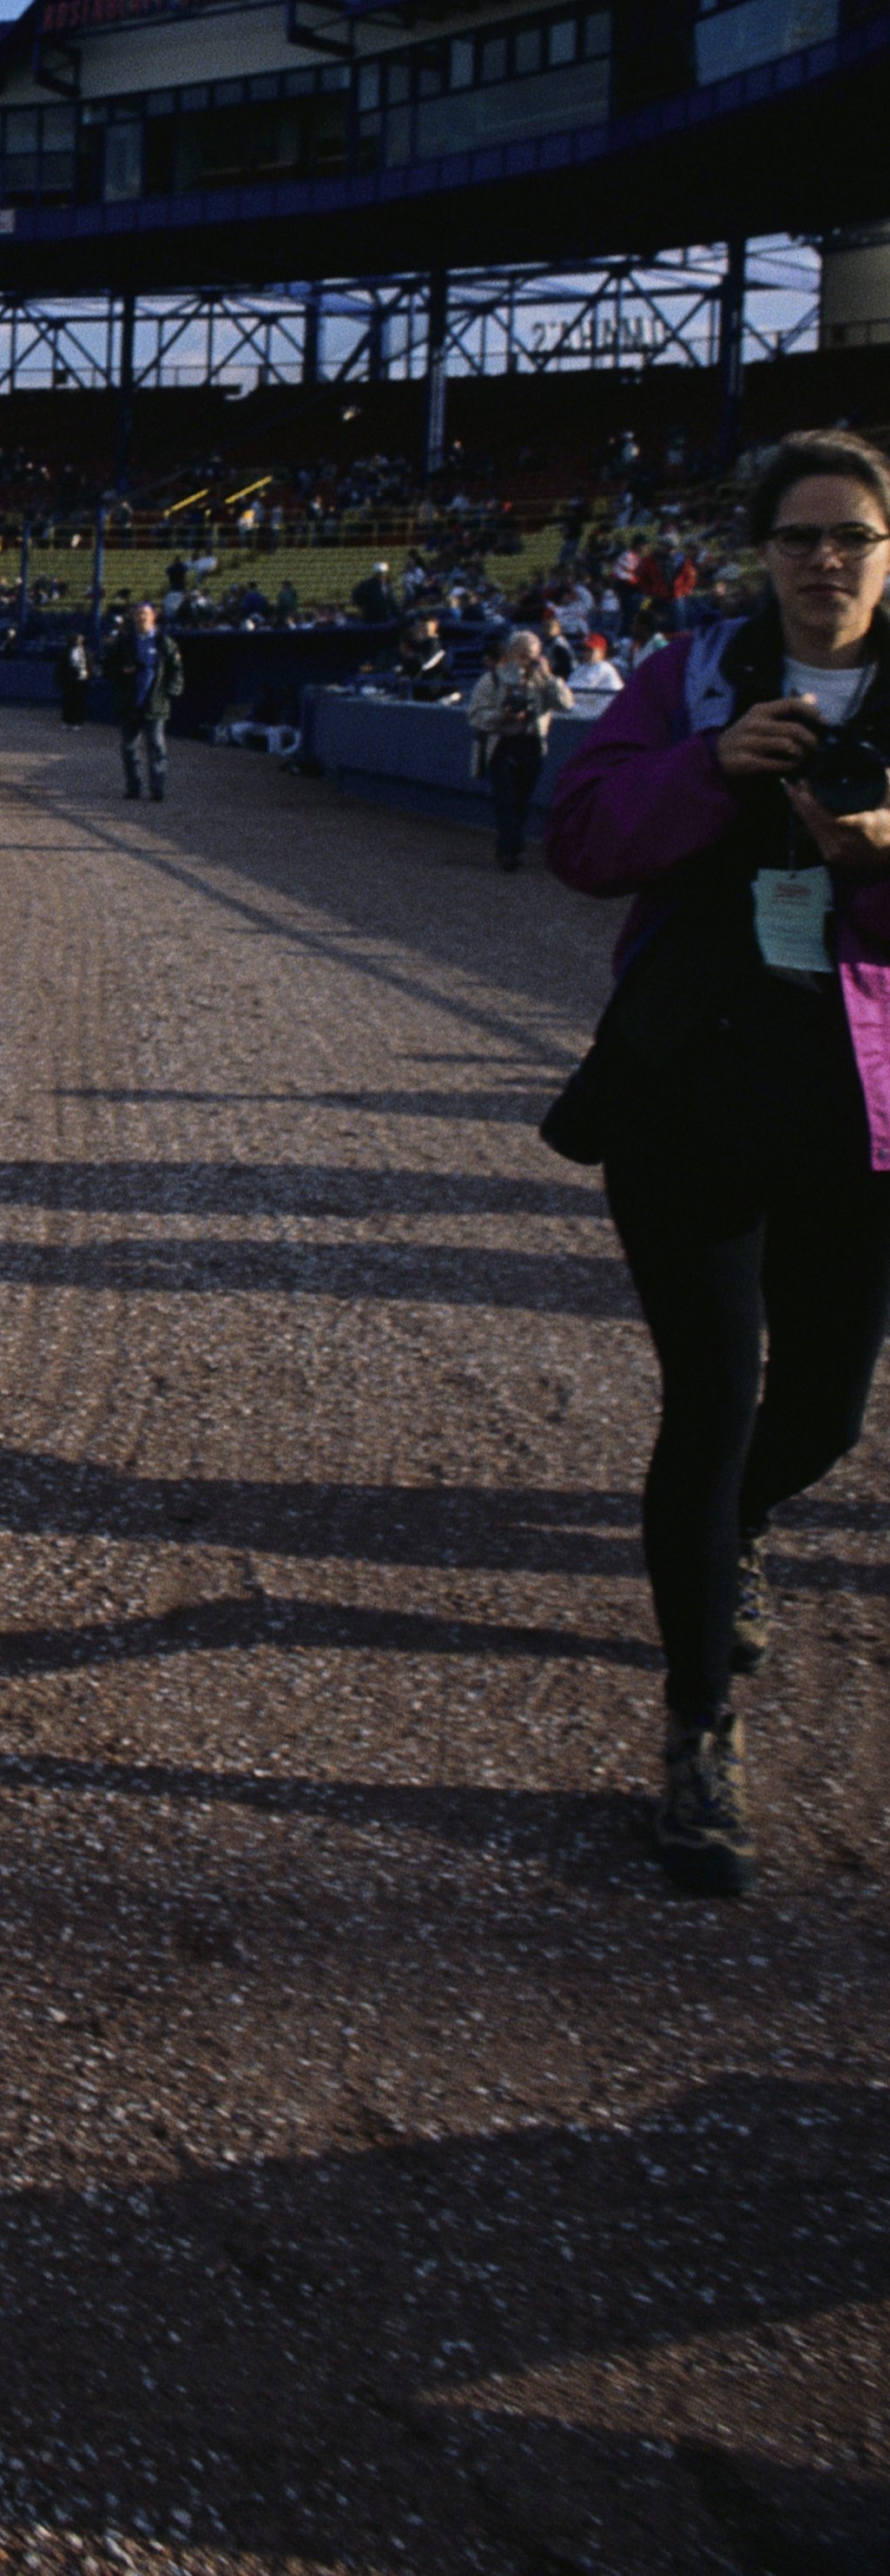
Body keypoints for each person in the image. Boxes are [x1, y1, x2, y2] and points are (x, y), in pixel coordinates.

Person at [545, 430, 890, 1899]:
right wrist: (705, 767)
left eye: (853, 536)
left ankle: (741, 1518)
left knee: (821, 1403)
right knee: (707, 1400)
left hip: (858, 1106)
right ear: (759, 549)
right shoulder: (685, 674)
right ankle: (698, 1734)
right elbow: (580, 833)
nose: (825, 559)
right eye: (800, 535)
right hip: (691, 1087)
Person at [466, 625, 572, 868]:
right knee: (506, 798)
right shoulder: (493, 679)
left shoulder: (543, 681)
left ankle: (510, 846)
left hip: (532, 744)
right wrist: (502, 715)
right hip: (502, 745)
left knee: (522, 800)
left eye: (532, 656)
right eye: (524, 655)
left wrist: (549, 677)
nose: (528, 662)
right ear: (513, 653)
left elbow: (566, 705)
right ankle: (510, 851)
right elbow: (474, 716)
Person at [116, 597, 181, 799]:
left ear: (153, 617)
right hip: (131, 703)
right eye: (138, 614)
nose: (141, 618)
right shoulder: (125, 642)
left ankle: (157, 788)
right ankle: (133, 787)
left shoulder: (164, 642)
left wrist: (170, 691)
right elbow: (108, 667)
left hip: (155, 704)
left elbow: (176, 670)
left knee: (156, 746)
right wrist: (122, 670)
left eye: (145, 614)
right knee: (129, 747)